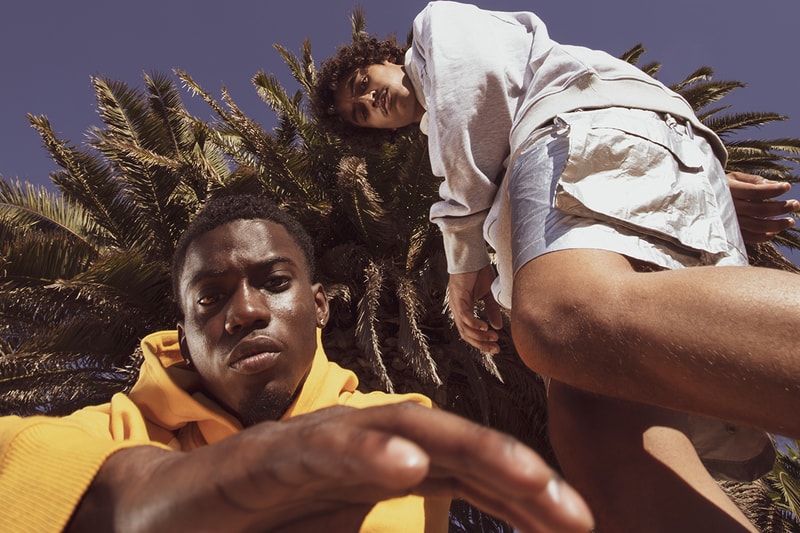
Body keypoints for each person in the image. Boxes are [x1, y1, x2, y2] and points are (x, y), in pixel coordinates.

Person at [312, 1, 800, 531]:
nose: (370, 100)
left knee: (560, 317)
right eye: (361, 112)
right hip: (593, 160)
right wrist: (694, 176)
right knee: (594, 434)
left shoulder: (436, 30)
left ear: (385, 58)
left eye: (363, 83)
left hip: (577, 132)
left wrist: (465, 254)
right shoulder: (450, 146)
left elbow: (473, 94)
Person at [0, 194, 594, 533]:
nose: (245, 311)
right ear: (182, 335)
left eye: (275, 282)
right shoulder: (113, 432)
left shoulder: (393, 426)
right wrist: (117, 494)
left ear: (320, 306)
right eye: (210, 298)